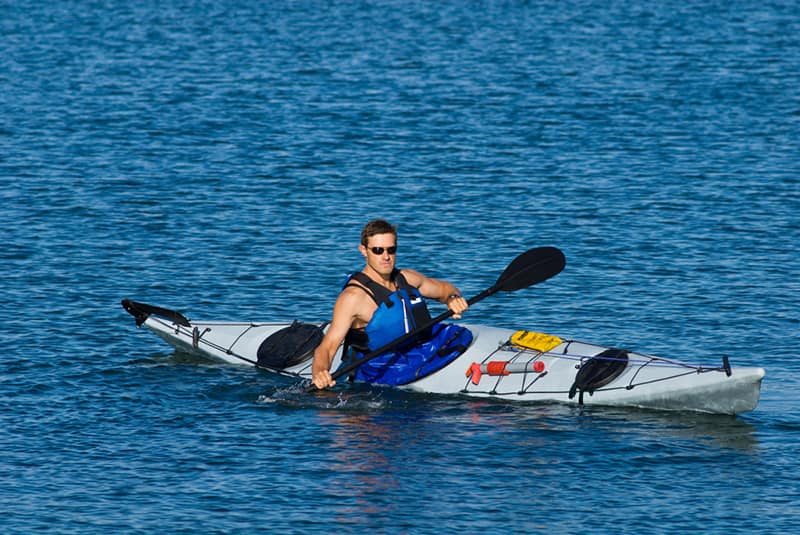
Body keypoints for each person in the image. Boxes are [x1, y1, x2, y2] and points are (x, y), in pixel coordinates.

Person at [311, 219, 469, 389]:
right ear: (364, 250)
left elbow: (445, 289)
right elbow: (327, 348)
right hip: (379, 365)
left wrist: (453, 299)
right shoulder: (353, 297)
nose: (386, 257)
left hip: (418, 349)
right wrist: (320, 372)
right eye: (378, 250)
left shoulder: (408, 278)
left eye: (391, 250)